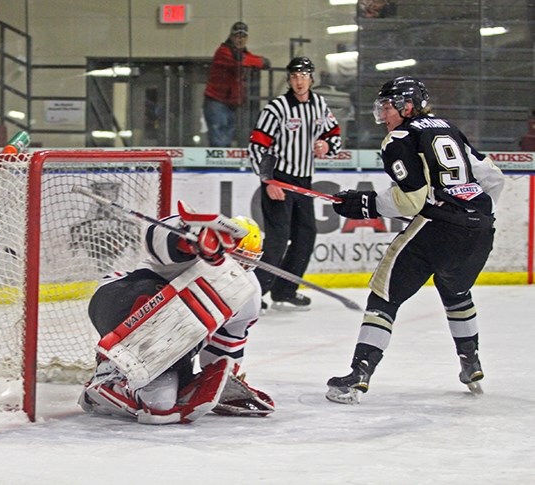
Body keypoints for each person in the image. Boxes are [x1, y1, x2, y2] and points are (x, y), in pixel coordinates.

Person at [325, 76, 505, 404]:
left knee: (384, 295)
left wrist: (364, 204)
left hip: (439, 228)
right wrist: (471, 211)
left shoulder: (400, 136)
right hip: (480, 230)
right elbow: (493, 178)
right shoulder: (448, 127)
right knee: (456, 291)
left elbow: (411, 201)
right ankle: (471, 362)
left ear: (407, 107)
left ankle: (359, 374)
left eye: (388, 107)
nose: (384, 115)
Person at [78, 207, 275, 424]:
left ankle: (113, 389)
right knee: (163, 298)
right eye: (235, 257)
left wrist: (220, 381)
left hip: (166, 348)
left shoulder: (248, 293)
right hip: (122, 302)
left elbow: (225, 347)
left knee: (160, 405)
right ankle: (111, 367)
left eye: (247, 261)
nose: (239, 266)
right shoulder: (194, 254)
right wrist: (191, 239)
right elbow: (156, 234)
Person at [248, 56, 342, 311]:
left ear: (311, 79)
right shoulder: (276, 108)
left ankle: (284, 289)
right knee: (278, 239)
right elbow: (257, 146)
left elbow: (334, 135)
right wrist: (268, 180)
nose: (299, 81)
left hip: (304, 182)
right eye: (294, 76)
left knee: (306, 236)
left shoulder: (319, 105)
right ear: (289, 80)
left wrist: (326, 145)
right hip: (279, 179)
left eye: (303, 76)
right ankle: (255, 292)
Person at [203, 21, 270, 147]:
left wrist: (259, 61)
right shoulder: (223, 52)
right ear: (231, 36)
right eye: (237, 36)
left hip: (230, 104)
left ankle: (223, 166)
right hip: (217, 101)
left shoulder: (241, 53)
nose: (240, 39)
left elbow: (248, 59)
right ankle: (217, 167)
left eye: (243, 36)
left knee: (226, 139)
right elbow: (241, 61)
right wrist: (261, 61)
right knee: (219, 140)